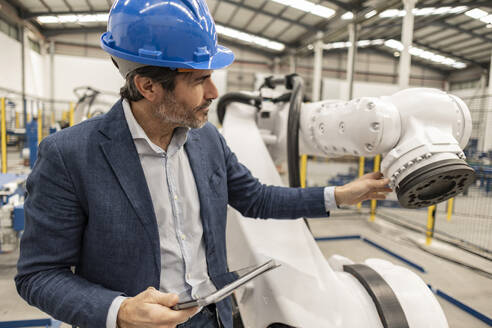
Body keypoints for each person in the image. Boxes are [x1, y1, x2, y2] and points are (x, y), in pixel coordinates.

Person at [15, 1, 391, 327]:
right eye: (200, 79)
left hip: (213, 318)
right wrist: (120, 311)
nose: (214, 93)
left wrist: (339, 195)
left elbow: (256, 198)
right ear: (148, 86)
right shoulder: (70, 155)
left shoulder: (206, 139)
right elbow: (39, 275)